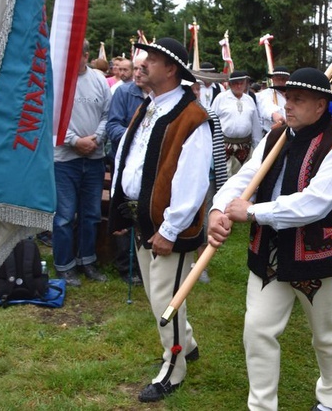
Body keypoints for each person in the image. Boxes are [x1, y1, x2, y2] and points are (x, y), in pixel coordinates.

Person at [208, 67, 332, 411]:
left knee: (326, 337)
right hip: (271, 253)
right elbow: (245, 176)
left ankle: (329, 399)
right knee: (258, 329)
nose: (287, 105)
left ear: (321, 105)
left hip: (320, 257)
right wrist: (219, 207)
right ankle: (261, 406)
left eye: (298, 99)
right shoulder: (278, 135)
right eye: (287, 98)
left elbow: (314, 203)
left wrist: (251, 212)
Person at [108, 37, 213, 403]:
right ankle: (189, 344)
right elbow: (129, 157)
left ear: (171, 69)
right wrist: (121, 207)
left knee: (164, 302)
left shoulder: (191, 116)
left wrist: (170, 229)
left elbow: (193, 181)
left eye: (151, 59)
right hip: (144, 221)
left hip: (169, 225)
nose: (142, 63)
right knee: (160, 295)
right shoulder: (148, 107)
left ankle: (174, 367)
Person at [53, 39, 111, 287]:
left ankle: (87, 260)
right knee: (65, 215)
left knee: (91, 214)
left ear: (86, 56)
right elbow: (50, 118)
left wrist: (96, 139)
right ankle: (64, 266)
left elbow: (109, 115)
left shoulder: (99, 80)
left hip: (94, 159)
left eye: (76, 54)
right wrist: (74, 140)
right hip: (65, 160)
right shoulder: (56, 80)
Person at [105, 63, 150, 284]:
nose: (140, 73)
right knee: (123, 210)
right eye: (138, 68)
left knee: (145, 212)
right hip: (124, 163)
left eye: (145, 68)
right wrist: (138, 136)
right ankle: (125, 265)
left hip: (149, 167)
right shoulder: (123, 92)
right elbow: (112, 127)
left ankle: (145, 265)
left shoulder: (159, 96)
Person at [189, 79, 228, 284]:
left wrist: (219, 179)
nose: (195, 92)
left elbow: (218, 152)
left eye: (197, 89)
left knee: (204, 223)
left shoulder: (210, 114)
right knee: (186, 219)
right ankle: (184, 261)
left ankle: (201, 266)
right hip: (185, 178)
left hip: (208, 177)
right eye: (191, 89)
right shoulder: (180, 116)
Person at [211, 70, 262, 177]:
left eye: (241, 83)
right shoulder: (221, 98)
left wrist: (258, 148)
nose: (238, 86)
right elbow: (212, 122)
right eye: (235, 83)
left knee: (243, 178)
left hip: (245, 148)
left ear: (246, 84)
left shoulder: (249, 100)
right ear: (229, 84)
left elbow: (255, 126)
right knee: (225, 179)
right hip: (224, 147)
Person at [256, 65, 289, 134]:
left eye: (283, 79)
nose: (280, 81)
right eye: (277, 78)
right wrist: (273, 114)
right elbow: (266, 106)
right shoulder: (265, 94)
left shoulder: (291, 94)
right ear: (273, 79)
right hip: (272, 134)